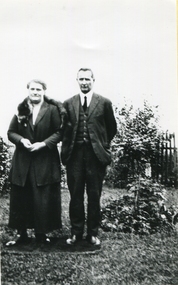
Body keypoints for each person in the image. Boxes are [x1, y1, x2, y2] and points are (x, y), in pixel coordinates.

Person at [61, 68, 117, 245]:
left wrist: (102, 145)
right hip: (74, 156)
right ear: (76, 80)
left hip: (96, 157)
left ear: (94, 80)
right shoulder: (68, 103)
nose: (84, 82)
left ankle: (92, 233)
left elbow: (111, 128)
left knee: (94, 195)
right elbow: (64, 130)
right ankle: (76, 232)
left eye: (87, 79)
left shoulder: (104, 103)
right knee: (75, 196)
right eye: (81, 79)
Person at [6, 79, 64, 245]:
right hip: (23, 161)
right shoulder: (21, 108)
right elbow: (11, 132)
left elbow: (60, 132)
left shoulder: (52, 110)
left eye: (39, 89)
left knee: (42, 197)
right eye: (32, 89)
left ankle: (41, 233)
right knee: (21, 196)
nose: (35, 92)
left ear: (44, 91)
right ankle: (21, 233)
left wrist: (43, 144)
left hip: (45, 160)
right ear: (28, 90)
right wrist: (22, 140)